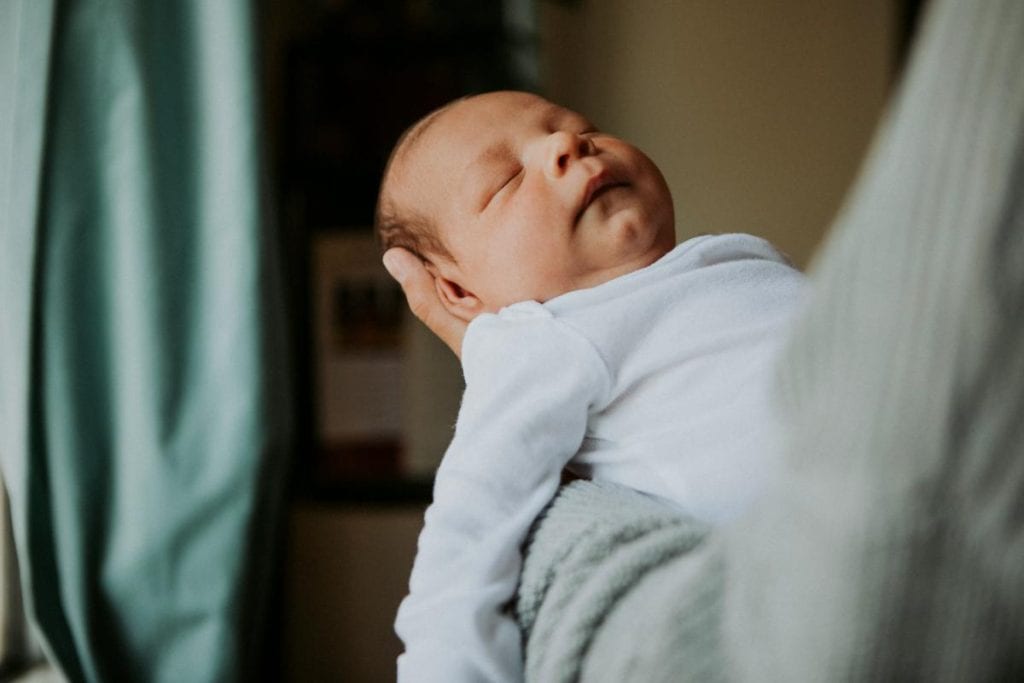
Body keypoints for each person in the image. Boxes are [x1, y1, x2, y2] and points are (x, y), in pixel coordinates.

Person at [376, 91, 805, 681]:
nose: (565, 146)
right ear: (457, 294)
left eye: (585, 129)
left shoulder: (736, 258)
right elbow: (469, 531)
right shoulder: (539, 337)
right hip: (816, 542)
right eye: (504, 181)